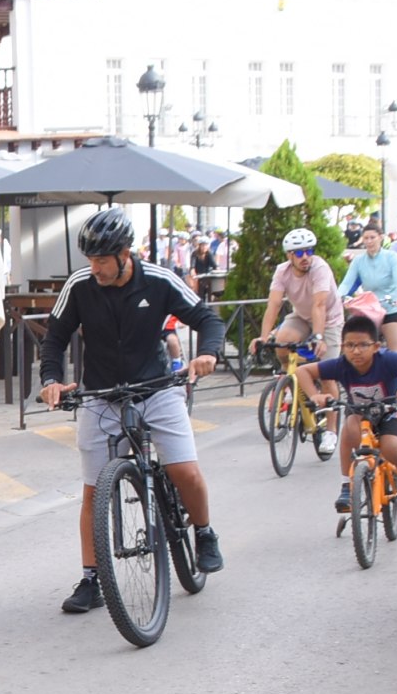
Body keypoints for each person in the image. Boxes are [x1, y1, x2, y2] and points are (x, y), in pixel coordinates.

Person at [37, 207, 228, 614]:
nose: (95, 268)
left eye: (102, 260)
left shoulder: (158, 280)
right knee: (93, 488)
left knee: (184, 470)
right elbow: (54, 339)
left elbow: (207, 319)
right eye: (90, 260)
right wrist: (51, 380)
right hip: (102, 393)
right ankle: (91, 579)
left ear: (127, 253)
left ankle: (204, 532)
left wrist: (208, 354)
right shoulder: (80, 286)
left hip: (157, 388)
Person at [296, 312, 397, 513]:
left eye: (363, 345)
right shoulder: (341, 365)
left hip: (393, 409)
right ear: (342, 346)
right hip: (361, 412)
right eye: (350, 345)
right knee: (349, 432)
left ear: (376, 347)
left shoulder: (387, 360)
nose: (356, 351)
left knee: (391, 446)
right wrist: (315, 396)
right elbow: (303, 371)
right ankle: (347, 486)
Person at [259, 227, 342, 359]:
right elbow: (274, 305)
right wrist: (263, 338)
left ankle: (314, 374)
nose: (305, 257)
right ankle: (289, 376)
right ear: (289, 255)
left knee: (327, 373)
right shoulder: (282, 271)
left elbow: (319, 305)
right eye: (299, 253)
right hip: (302, 317)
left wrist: (318, 337)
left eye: (309, 252)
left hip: (329, 321)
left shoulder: (320, 268)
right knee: (282, 343)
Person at [340, 222, 397, 352]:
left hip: (391, 307)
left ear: (380, 237)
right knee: (360, 347)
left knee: (396, 351)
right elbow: (347, 283)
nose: (369, 241)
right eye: (366, 238)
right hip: (369, 309)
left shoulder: (392, 257)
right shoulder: (358, 261)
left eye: (372, 237)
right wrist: (338, 297)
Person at [191, 232, 222, 302]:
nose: (204, 247)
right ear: (199, 246)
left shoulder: (209, 253)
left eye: (206, 245)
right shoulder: (195, 254)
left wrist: (217, 269)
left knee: (211, 294)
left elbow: (214, 265)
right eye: (203, 245)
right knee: (200, 296)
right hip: (199, 276)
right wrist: (193, 272)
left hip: (208, 276)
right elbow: (192, 266)